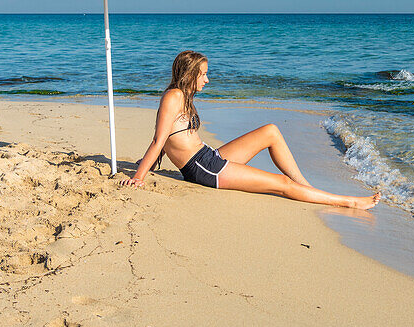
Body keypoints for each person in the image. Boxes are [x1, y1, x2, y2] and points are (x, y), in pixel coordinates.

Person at [120, 50, 380, 214]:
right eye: (203, 75)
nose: (207, 80)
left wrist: (151, 165)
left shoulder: (183, 97)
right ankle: (348, 202)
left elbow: (167, 140)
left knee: (271, 131)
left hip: (210, 157)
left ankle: (306, 188)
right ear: (190, 75)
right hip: (204, 168)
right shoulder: (174, 96)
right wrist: (139, 176)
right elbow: (159, 139)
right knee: (281, 184)